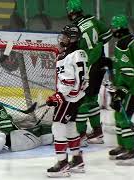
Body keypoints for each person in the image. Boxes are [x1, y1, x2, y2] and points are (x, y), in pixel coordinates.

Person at [66, 0, 113, 145]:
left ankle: (80, 134)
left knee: (82, 99)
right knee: (92, 98)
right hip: (100, 62)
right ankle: (98, 132)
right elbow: (108, 35)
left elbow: (72, 49)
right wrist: (96, 46)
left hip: (87, 64)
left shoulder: (74, 27)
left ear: (70, 12)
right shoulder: (92, 19)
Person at [46, 24, 88, 178]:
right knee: (70, 126)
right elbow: (82, 80)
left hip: (68, 98)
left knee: (57, 126)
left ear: (72, 38)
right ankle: (77, 160)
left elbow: (69, 81)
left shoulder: (68, 56)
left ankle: (62, 163)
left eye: (65, 36)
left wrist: (59, 96)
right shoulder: (80, 53)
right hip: (76, 97)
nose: (61, 39)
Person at [109, 15, 134, 166]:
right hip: (132, 86)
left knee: (124, 117)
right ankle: (123, 145)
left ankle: (131, 150)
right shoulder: (129, 40)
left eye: (113, 27)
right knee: (119, 114)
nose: (111, 30)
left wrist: (121, 91)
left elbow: (128, 72)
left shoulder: (122, 44)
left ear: (119, 28)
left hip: (131, 88)